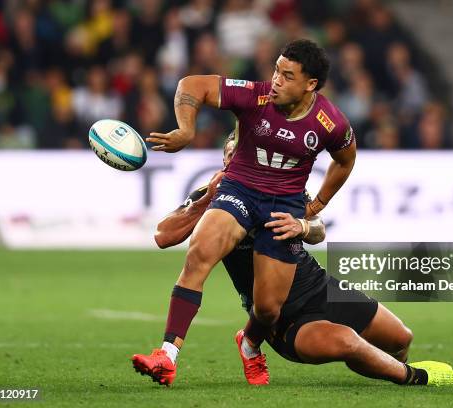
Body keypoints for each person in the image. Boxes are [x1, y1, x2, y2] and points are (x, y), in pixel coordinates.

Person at [132, 134, 453, 387]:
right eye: (229, 157)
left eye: (239, 157)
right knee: (347, 342)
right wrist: (206, 199)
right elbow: (165, 235)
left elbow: (319, 232)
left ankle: (390, 366)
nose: (233, 163)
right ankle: (415, 379)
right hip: (280, 317)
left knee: (401, 340)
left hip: (319, 287)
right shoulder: (216, 201)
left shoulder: (281, 189)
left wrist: (301, 225)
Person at [133, 39, 357, 385]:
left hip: (283, 205)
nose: (276, 81)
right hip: (241, 190)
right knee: (199, 253)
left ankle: (250, 344)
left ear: (309, 84)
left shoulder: (330, 123)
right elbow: (192, 85)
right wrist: (187, 129)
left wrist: (314, 208)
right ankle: (167, 354)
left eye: (287, 75)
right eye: (275, 71)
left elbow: (346, 161)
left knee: (268, 309)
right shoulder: (255, 98)